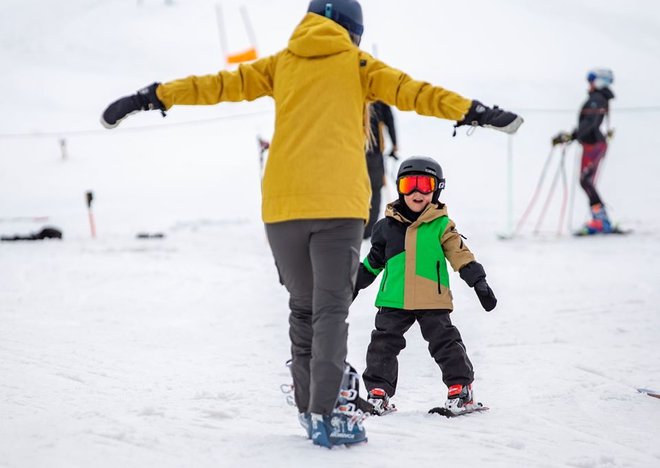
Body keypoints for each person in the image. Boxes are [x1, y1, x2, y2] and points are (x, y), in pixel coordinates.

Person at [100, 0, 522, 447]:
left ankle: (310, 406)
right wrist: (476, 111)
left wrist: (149, 97)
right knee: (330, 310)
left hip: (281, 207)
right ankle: (330, 412)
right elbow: (418, 92)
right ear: (352, 31)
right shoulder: (359, 65)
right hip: (338, 206)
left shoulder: (280, 64)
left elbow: (214, 85)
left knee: (302, 306)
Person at [353, 156, 497, 416]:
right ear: (400, 188)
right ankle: (378, 393)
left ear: (437, 189)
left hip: (433, 298)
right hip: (394, 299)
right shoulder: (385, 227)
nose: (417, 192)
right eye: (410, 184)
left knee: (445, 343)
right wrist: (351, 286)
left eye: (425, 184)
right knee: (382, 344)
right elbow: (373, 263)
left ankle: (460, 389)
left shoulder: (442, 225)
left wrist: (479, 281)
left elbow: (460, 254)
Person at [552, 69, 615, 234]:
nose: (590, 84)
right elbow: (587, 125)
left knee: (585, 181)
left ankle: (601, 220)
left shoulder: (597, 98)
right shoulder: (599, 98)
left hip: (593, 145)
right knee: (586, 181)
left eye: (592, 81)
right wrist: (572, 136)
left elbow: (590, 124)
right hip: (592, 144)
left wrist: (572, 136)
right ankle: (600, 219)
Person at [364, 101, 398, 240]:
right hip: (374, 154)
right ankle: (368, 230)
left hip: (354, 155)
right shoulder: (379, 97)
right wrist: (395, 144)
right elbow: (390, 120)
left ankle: (359, 226)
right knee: (375, 189)